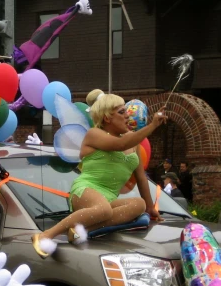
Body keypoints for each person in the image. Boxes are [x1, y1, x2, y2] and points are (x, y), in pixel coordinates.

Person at [31, 89, 166, 258]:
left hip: (108, 199)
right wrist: (152, 125)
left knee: (138, 205)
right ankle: (45, 235)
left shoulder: (134, 144)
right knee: (103, 210)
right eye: (122, 112)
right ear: (107, 118)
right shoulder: (95, 134)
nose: (127, 116)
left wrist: (150, 207)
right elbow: (120, 144)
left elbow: (141, 178)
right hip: (86, 190)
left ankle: (82, 230)